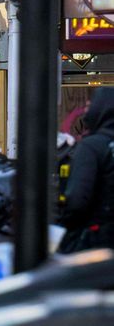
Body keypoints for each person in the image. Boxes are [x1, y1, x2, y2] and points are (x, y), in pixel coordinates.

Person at [60, 88, 114, 252]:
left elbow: (77, 200)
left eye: (90, 106)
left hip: (97, 240)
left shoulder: (91, 147)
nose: (85, 111)